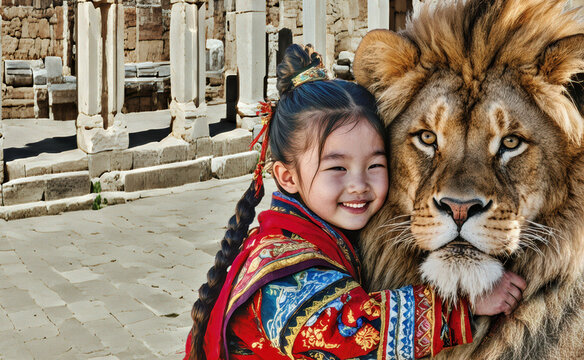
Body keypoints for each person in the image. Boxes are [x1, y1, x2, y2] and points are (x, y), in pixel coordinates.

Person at [184, 44, 526, 360]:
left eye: (375, 165)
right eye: (337, 168)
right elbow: (348, 334)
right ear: (287, 177)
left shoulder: (321, 233)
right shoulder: (280, 265)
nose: (359, 185)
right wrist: (462, 307)